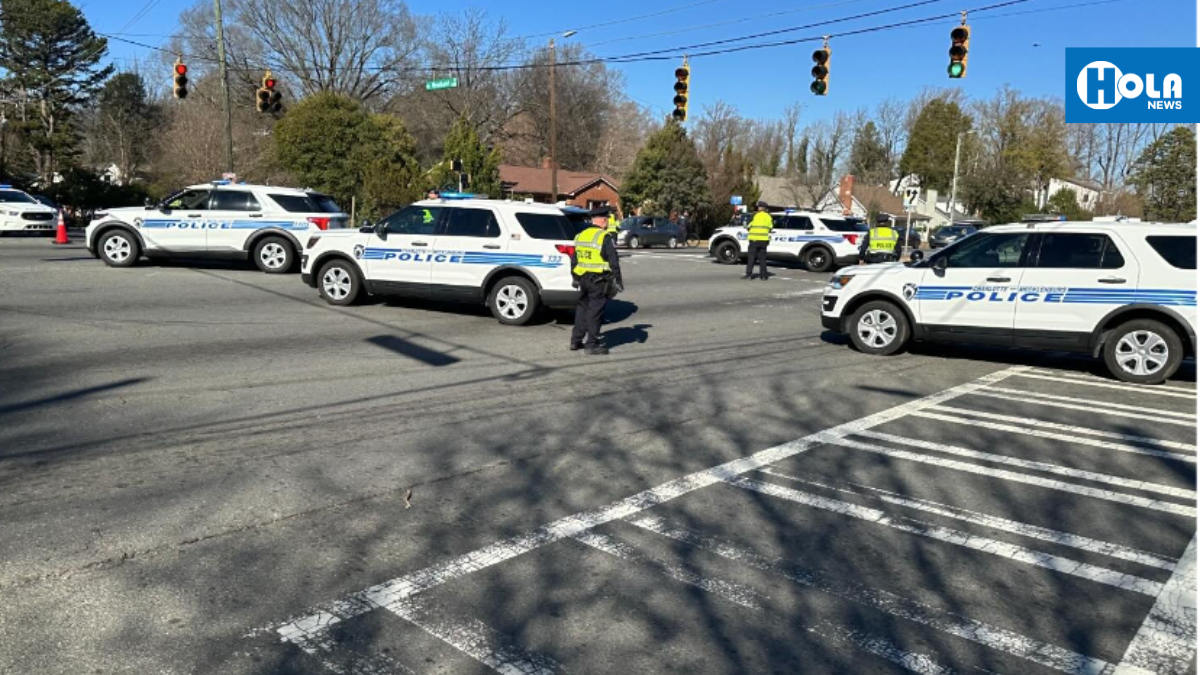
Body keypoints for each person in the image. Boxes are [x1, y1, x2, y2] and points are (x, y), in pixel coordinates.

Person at [570, 206, 624, 355]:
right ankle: (591, 344)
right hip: (598, 281)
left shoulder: (580, 235)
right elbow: (614, 261)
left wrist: (575, 278)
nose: (607, 222)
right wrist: (618, 281)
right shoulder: (603, 236)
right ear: (602, 220)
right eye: (606, 219)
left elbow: (574, 260)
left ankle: (575, 340)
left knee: (582, 310)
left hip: (583, 279)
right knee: (595, 312)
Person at [744, 200, 773, 280]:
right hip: (763, 240)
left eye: (758, 207)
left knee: (751, 258)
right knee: (762, 259)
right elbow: (770, 227)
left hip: (754, 240)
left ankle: (749, 274)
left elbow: (748, 226)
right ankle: (763, 276)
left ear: (760, 208)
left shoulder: (755, 215)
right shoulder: (768, 217)